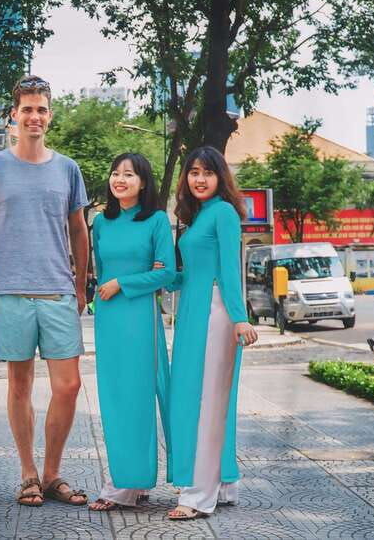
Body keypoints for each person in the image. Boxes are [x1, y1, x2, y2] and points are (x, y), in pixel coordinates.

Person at [0, 75, 90, 507]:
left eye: (41, 109)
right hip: (9, 291)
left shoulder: (68, 169)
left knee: (69, 385)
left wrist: (80, 284)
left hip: (58, 289)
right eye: (27, 109)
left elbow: (79, 229)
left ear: (49, 116)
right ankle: (28, 474)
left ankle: (53, 471)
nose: (34, 116)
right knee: (19, 385)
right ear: (13, 117)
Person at [168, 146, 258, 520]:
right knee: (200, 397)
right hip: (192, 309)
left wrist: (239, 317)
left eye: (207, 172)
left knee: (207, 402)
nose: (200, 179)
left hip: (216, 311)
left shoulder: (223, 213)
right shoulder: (196, 216)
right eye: (193, 172)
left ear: (221, 177)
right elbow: (190, 274)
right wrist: (148, 279)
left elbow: (228, 269)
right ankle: (222, 483)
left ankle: (198, 496)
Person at [88, 153, 177, 511]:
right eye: (115, 173)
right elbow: (98, 266)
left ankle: (124, 484)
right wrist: (114, 285)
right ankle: (132, 480)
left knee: (138, 398)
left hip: (140, 318)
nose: (119, 179)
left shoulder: (156, 220)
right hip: (108, 318)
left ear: (144, 182)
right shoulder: (101, 222)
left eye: (129, 174)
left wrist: (123, 283)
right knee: (113, 398)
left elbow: (167, 273)